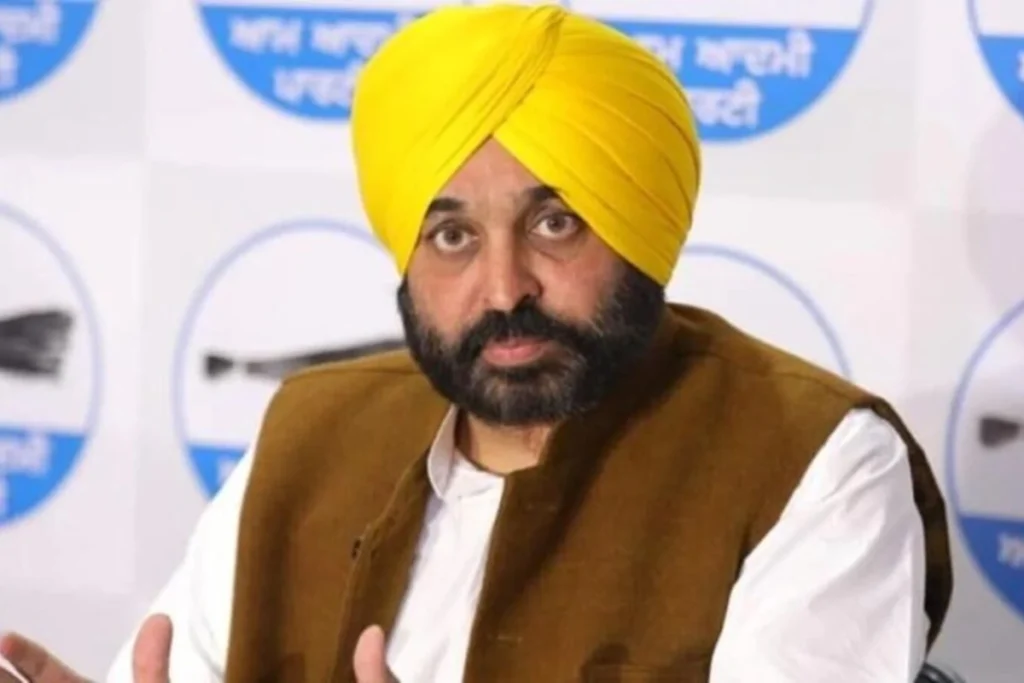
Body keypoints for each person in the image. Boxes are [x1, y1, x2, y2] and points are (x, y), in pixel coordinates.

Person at [0, 3, 953, 683]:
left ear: (642, 225)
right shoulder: (309, 434)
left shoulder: (813, 462)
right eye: (453, 235)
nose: (504, 289)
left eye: (556, 223)